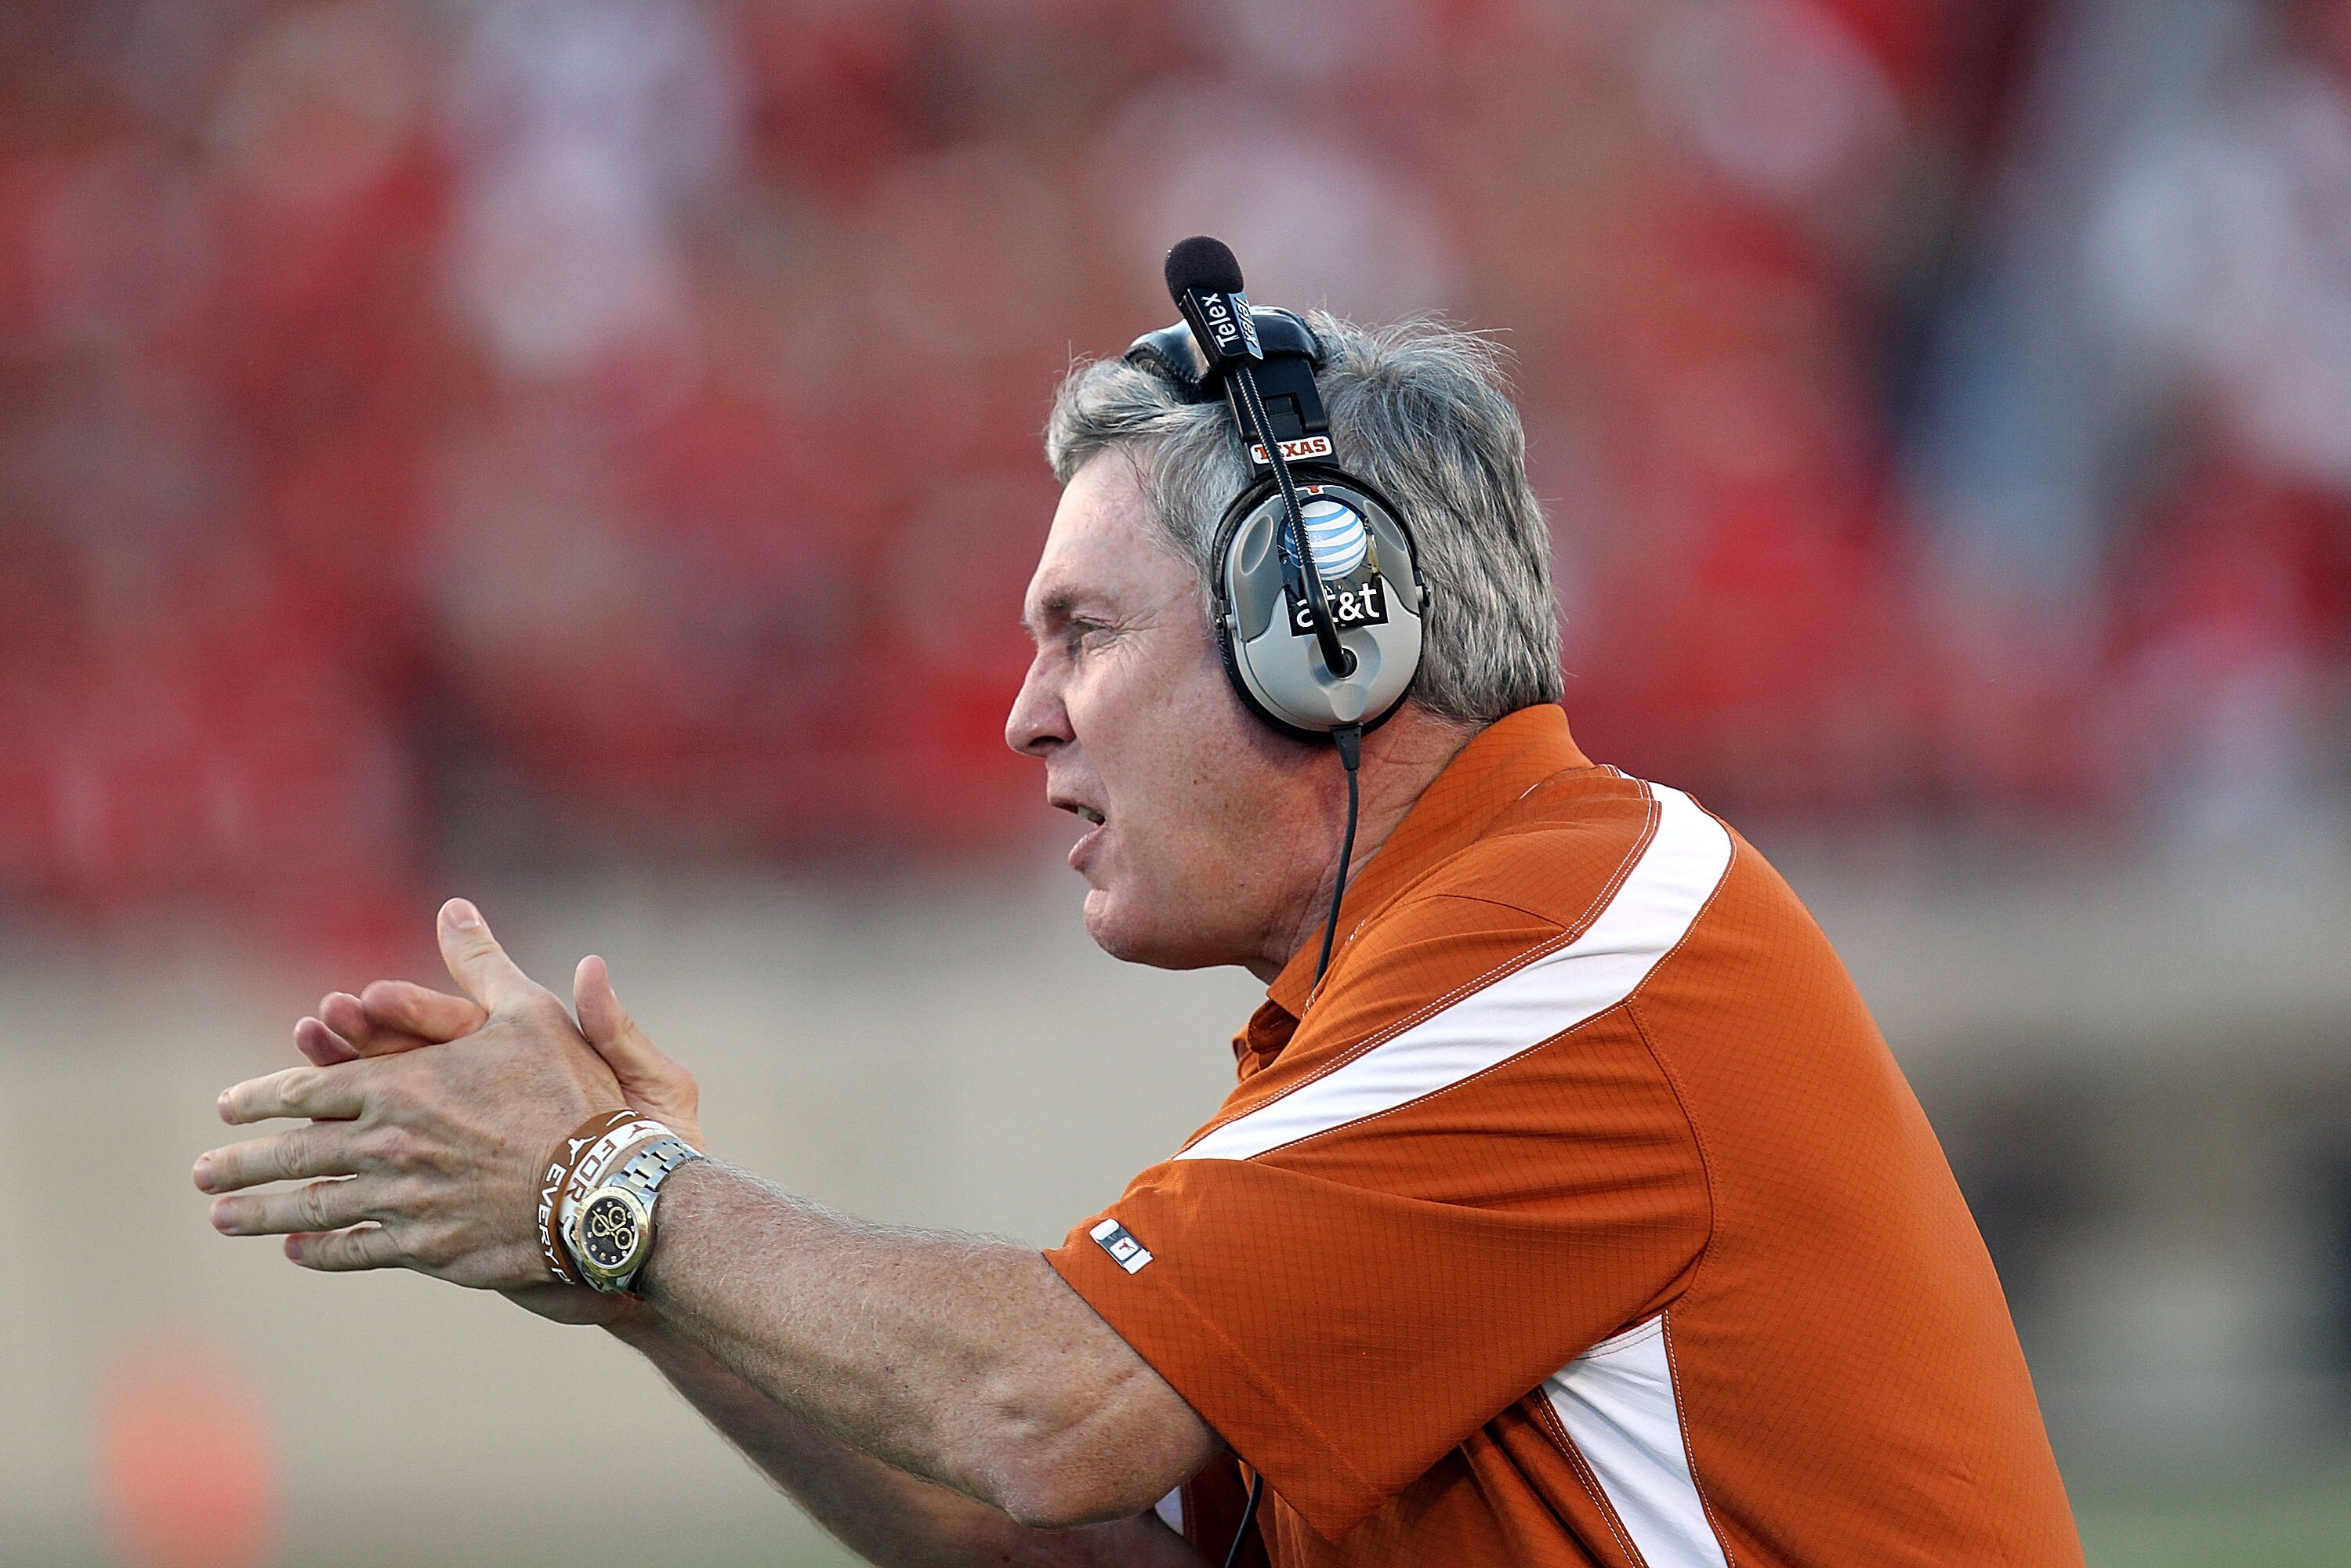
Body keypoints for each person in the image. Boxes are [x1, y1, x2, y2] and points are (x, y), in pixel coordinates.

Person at [195, 308, 2085, 1566]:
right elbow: (1046, 1526)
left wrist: (616, 1181)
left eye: (1083, 631)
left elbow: (1052, 1404)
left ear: (1325, 633)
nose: (1024, 713)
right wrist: (639, 1269)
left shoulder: (1579, 940)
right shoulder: (1464, 960)